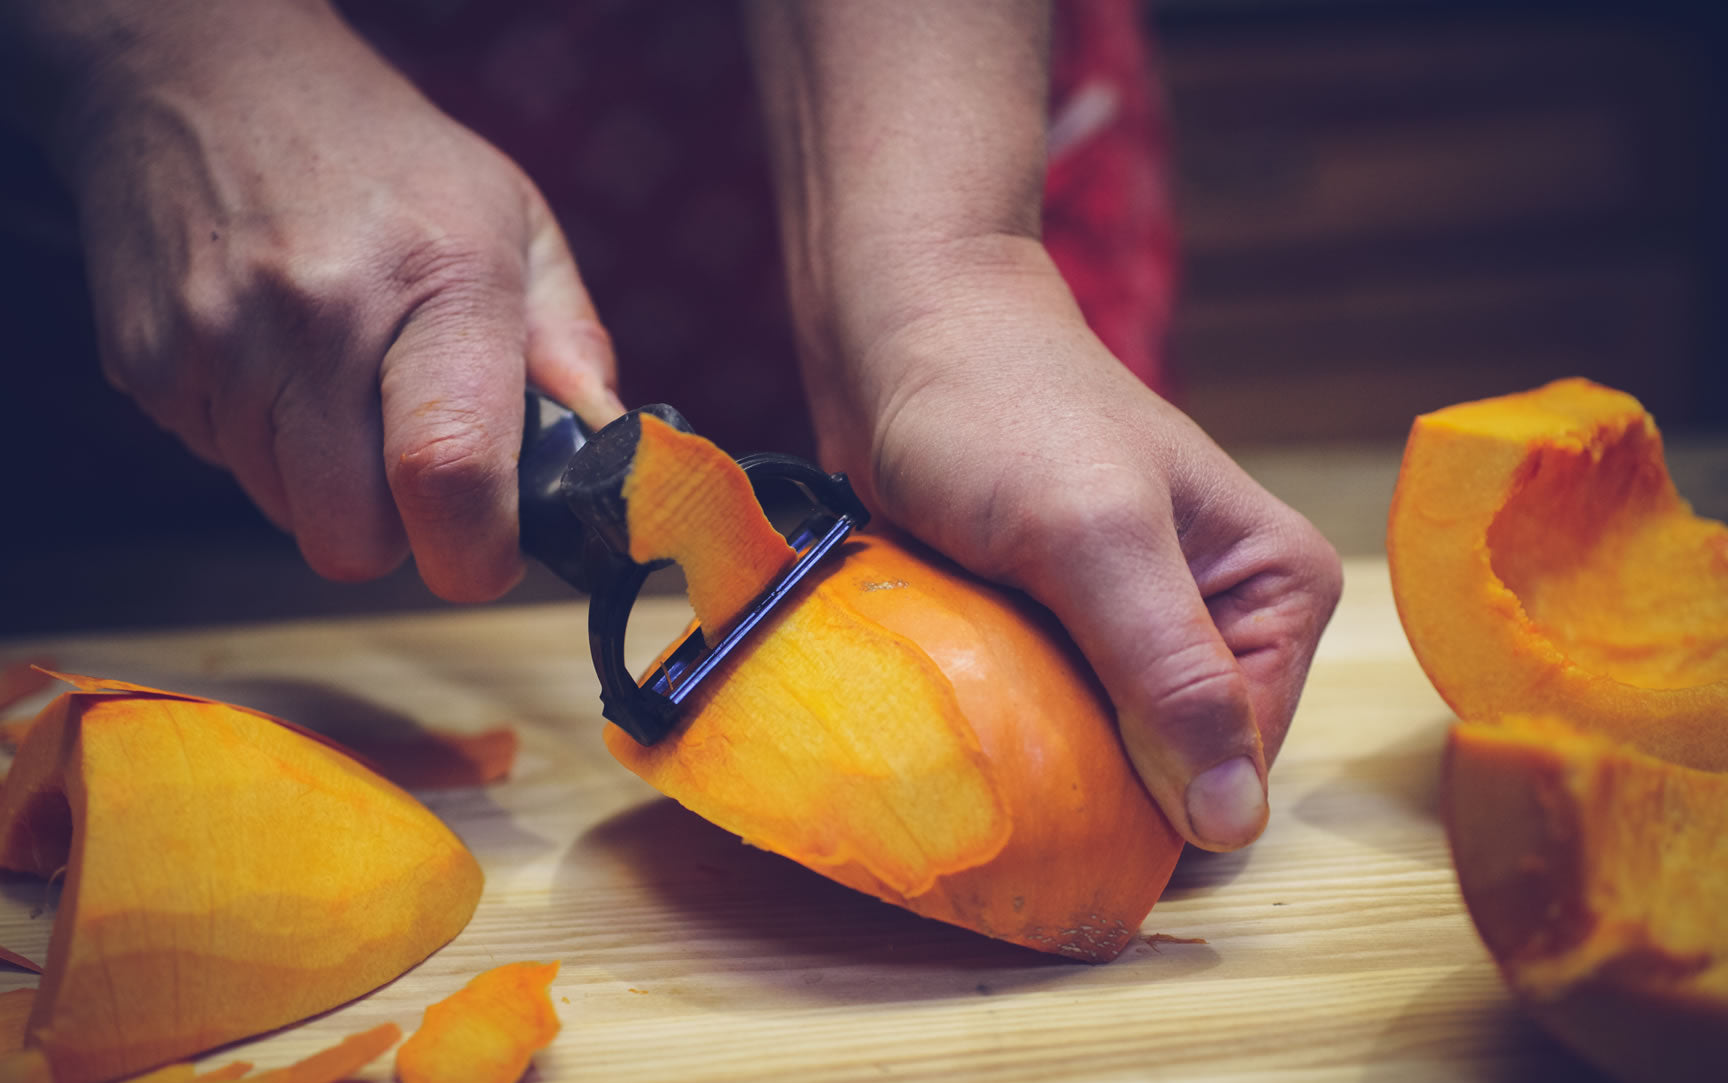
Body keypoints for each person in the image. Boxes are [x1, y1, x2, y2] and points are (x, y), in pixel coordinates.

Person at [0, 0, 1341, 855]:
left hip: (912, 96)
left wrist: (947, 277)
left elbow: (951, 294)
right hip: (181, 276)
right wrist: (149, 48)